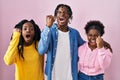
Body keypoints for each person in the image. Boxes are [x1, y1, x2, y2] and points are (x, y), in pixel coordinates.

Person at [38, 4, 85, 80]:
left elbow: (86, 47)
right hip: (52, 76)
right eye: (59, 12)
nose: (62, 14)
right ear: (55, 16)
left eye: (65, 12)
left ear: (69, 17)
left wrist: (99, 43)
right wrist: (47, 27)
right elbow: (41, 50)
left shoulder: (75, 33)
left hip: (70, 76)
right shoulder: (49, 31)